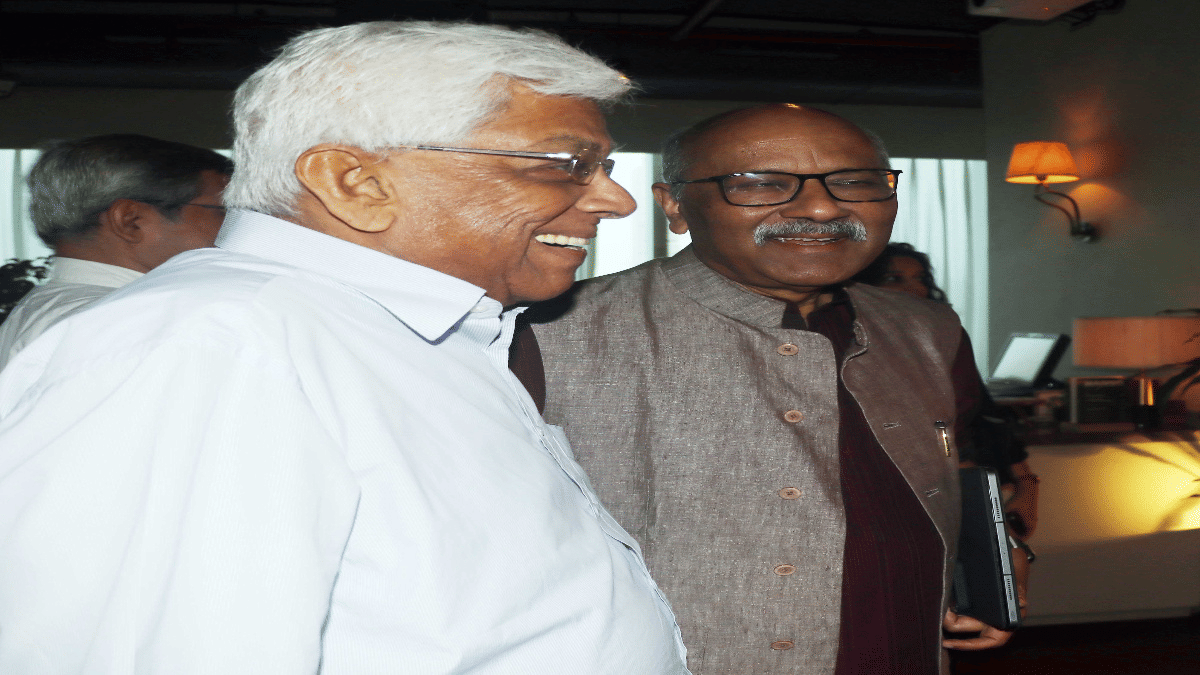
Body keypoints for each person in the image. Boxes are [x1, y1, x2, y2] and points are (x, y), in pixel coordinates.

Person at [0, 21, 689, 674]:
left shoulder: (401, 334)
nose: (616, 202)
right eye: (567, 165)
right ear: (354, 183)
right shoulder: (220, 346)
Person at [521, 104, 1024, 674]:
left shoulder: (926, 329)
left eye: (856, 182)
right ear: (675, 205)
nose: (820, 207)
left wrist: (996, 558)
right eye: (761, 184)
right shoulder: (547, 336)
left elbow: (969, 463)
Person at [853, 243, 1040, 538]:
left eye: (922, 279)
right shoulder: (853, 348)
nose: (915, 289)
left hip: (965, 486)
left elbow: (984, 416)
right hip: (893, 499)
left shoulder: (943, 334)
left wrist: (1027, 486)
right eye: (894, 279)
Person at [0, 134, 232, 369]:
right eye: (224, 211)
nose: (242, 227)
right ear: (130, 220)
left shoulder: (51, 310)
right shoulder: (124, 326)